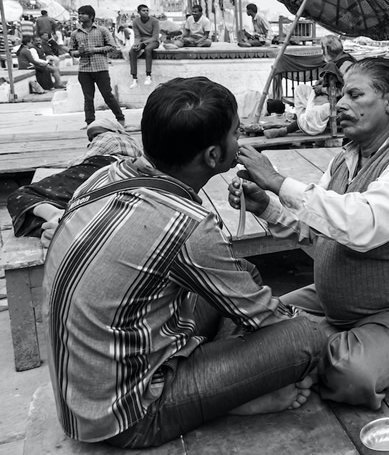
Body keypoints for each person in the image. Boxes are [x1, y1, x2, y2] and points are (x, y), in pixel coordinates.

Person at [43, 77, 328, 448]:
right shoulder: (188, 226)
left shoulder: (106, 175)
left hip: (84, 397)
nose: (239, 141)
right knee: (306, 338)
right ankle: (226, 397)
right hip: (129, 416)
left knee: (245, 273)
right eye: (235, 133)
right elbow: (269, 317)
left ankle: (217, 387)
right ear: (213, 156)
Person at [230, 58, 389, 410]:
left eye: (354, 94)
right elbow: (316, 228)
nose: (340, 103)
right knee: (248, 323)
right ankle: (309, 350)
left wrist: (276, 181)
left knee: (353, 374)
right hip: (332, 301)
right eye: (341, 94)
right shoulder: (343, 161)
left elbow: (361, 225)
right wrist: (264, 206)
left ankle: (298, 356)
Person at [8, 119, 144, 242]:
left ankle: (55, 216)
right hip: (130, 176)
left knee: (21, 196)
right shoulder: (135, 145)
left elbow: (80, 161)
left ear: (114, 130)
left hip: (99, 167)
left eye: (95, 135)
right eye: (91, 137)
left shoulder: (110, 137)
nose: (93, 139)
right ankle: (59, 221)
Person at [68, 5, 126, 127]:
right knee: (88, 98)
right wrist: (79, 52)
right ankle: (90, 123)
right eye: (79, 13)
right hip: (84, 69)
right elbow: (71, 51)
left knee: (107, 95)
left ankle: (120, 119)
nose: (80, 16)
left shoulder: (102, 30)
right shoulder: (75, 33)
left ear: (91, 16)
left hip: (101, 68)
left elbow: (112, 47)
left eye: (83, 14)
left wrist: (94, 50)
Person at [129, 4, 160, 88]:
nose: (146, 12)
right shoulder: (135, 21)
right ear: (138, 12)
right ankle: (134, 78)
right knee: (132, 51)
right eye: (143, 10)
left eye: (147, 10)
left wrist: (142, 43)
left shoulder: (155, 21)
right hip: (141, 41)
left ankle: (148, 75)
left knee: (148, 49)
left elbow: (155, 37)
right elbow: (137, 36)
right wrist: (136, 44)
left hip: (153, 42)